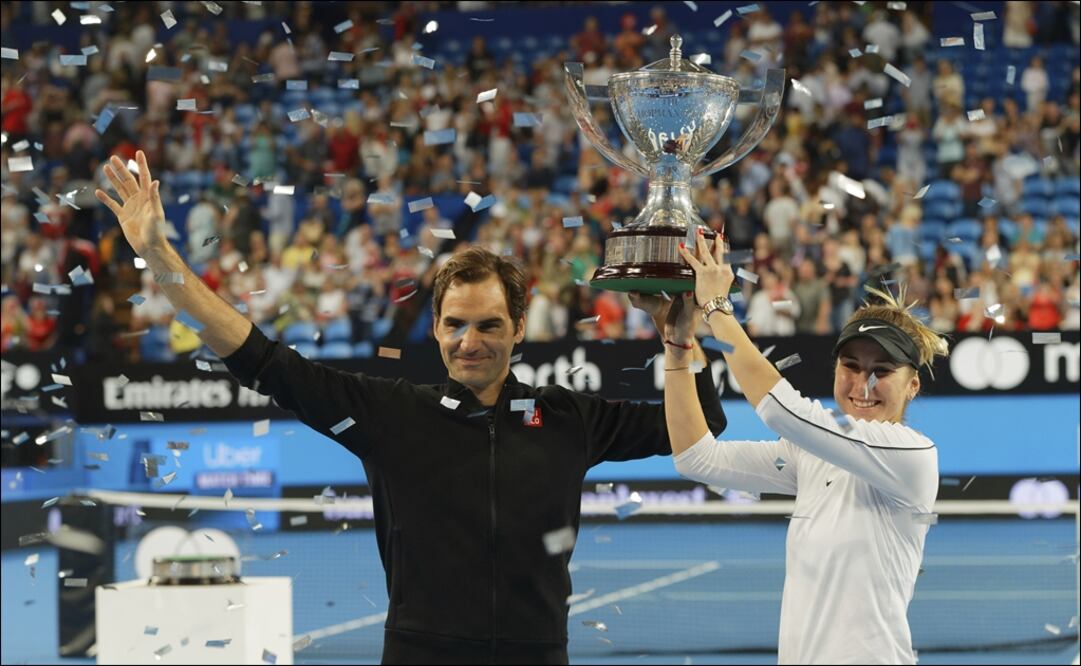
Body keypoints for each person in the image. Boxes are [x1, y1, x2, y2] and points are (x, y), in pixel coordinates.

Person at [95, 151, 728, 665]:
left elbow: (701, 426)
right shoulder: (386, 414)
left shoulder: (566, 417)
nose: (468, 341)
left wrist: (682, 333)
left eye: (487, 325)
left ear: (518, 329)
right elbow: (255, 354)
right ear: (435, 324)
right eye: (454, 324)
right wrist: (157, 254)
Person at [660, 228, 949, 664]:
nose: (863, 383)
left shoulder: (913, 456)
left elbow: (782, 411)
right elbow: (696, 458)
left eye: (882, 370)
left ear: (911, 387)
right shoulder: (812, 452)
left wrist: (717, 308)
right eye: (850, 365)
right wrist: (678, 347)